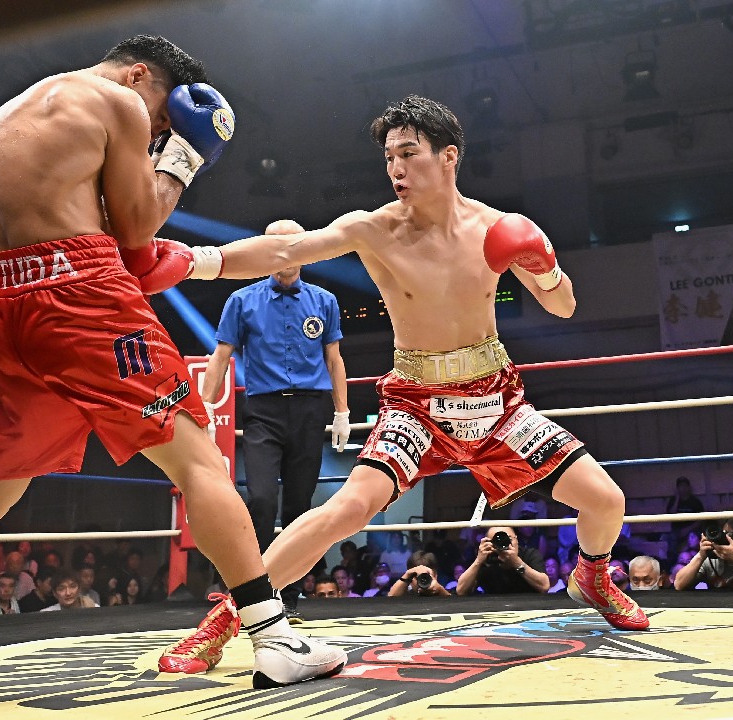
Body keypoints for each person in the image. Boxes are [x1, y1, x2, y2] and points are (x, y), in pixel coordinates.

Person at [0, 36, 344, 714]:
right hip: (83, 298)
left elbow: (103, 233)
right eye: (163, 119)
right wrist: (184, 155)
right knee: (198, 461)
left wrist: (187, 252)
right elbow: (136, 231)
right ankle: (274, 640)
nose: (156, 135)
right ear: (141, 75)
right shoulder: (118, 100)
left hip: (2, 305)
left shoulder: (6, 117)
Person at [157, 95, 649, 672]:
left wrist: (547, 268)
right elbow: (287, 248)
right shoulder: (376, 228)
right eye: (389, 157)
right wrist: (197, 261)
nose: (396, 168)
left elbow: (563, 306)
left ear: (449, 157)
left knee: (606, 501)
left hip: (496, 403)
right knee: (346, 509)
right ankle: (223, 620)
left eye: (409, 153)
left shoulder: (496, 227)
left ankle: (592, 578)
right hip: (416, 404)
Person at [200, 220, 350, 619]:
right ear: (264, 252)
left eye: (293, 245)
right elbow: (220, 357)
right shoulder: (242, 300)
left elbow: (334, 359)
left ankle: (289, 596)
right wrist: (205, 409)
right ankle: (256, 592)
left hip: (310, 409)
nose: (285, 254)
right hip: (263, 411)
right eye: (277, 246)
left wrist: (342, 411)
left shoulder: (324, 301)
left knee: (300, 504)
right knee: (261, 499)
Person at [674, 517, 733, 590]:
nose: (729, 544)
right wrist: (700, 556)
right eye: (726, 537)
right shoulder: (712, 555)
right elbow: (679, 584)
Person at [456, 527, 550, 595]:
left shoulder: (529, 554)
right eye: (497, 540)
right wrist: (478, 561)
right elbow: (461, 591)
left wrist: (517, 563)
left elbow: (544, 586)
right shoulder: (486, 558)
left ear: (516, 540)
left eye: (508, 539)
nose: (504, 543)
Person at [665, 476, 704, 555]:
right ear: (677, 488)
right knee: (671, 537)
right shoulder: (673, 500)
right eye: (681, 486)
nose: (683, 488)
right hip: (677, 530)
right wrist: (677, 498)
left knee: (693, 537)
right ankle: (673, 560)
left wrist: (688, 529)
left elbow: (700, 520)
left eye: (685, 486)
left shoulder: (695, 501)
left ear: (688, 487)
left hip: (692, 529)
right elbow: (671, 514)